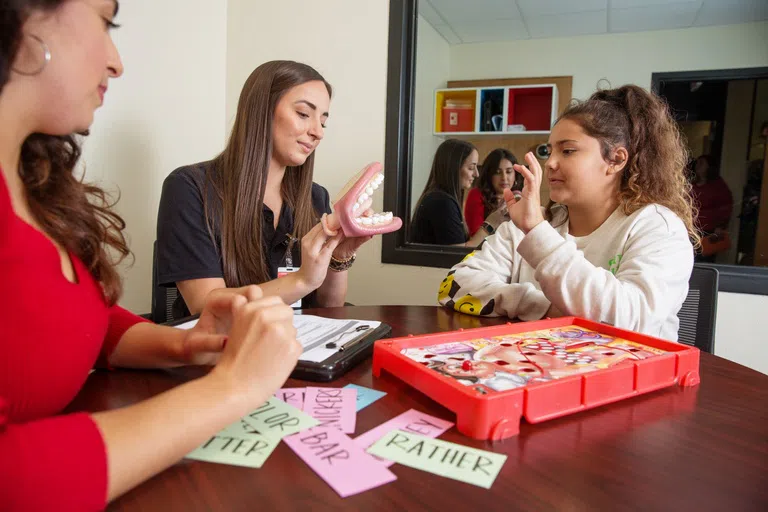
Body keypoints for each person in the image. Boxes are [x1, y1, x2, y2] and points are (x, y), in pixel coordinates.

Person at [0, 2, 302, 509]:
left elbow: (74, 320)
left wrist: (183, 346)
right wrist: (228, 390)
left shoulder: (38, 187)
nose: (117, 61)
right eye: (106, 22)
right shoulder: (192, 187)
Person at [437, 85, 697, 342]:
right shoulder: (528, 223)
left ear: (616, 160)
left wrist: (538, 233)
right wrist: (542, 307)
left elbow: (631, 323)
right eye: (549, 151)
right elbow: (454, 286)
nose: (550, 163)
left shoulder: (658, 227)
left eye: (568, 150)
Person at [157, 60, 373, 317]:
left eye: (323, 122)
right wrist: (301, 281)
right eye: (304, 114)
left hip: (294, 345)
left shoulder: (316, 197)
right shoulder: (189, 188)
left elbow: (328, 308)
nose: (318, 132)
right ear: (262, 111)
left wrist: (339, 257)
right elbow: (206, 306)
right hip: (222, 351)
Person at [410, 139, 507, 246]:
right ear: (454, 168)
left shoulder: (441, 198)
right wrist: (490, 223)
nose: (476, 174)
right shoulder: (442, 203)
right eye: (471, 168)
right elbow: (458, 252)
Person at [464, 148, 523, 236]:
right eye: (497, 172)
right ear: (489, 175)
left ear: (515, 174)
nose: (504, 177)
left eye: (509, 172)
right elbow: (475, 235)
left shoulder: (519, 197)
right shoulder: (476, 195)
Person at [689, 154, 733, 262]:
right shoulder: (692, 185)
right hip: (691, 229)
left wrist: (720, 226)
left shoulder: (718, 186)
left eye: (702, 163)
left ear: (709, 167)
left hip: (708, 232)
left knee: (703, 262)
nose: (698, 166)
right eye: (697, 163)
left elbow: (725, 207)